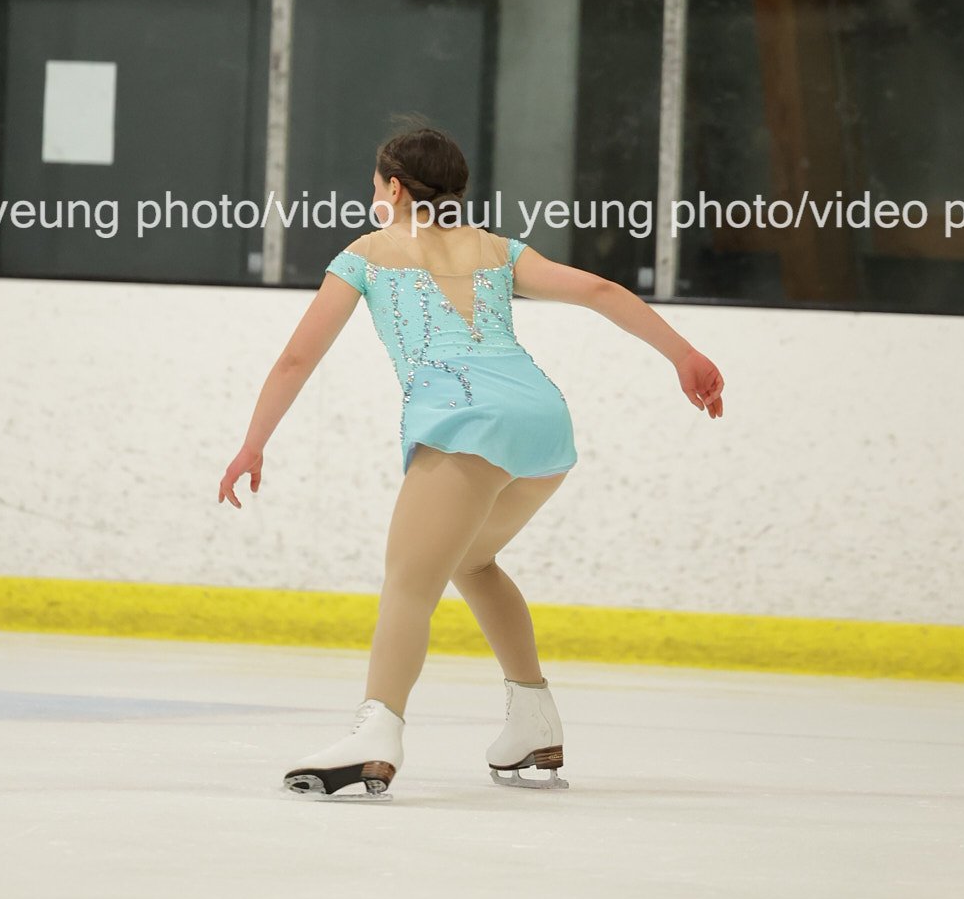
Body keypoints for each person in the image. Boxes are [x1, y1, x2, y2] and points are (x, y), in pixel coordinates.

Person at [218, 125, 724, 799]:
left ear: (395, 188)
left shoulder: (367, 254)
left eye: (375, 185)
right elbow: (600, 290)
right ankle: (532, 719)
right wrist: (684, 355)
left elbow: (295, 359)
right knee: (472, 562)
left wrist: (253, 442)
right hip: (542, 426)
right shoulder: (496, 248)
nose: (372, 197)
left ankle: (376, 731)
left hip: (466, 423)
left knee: (408, 583)